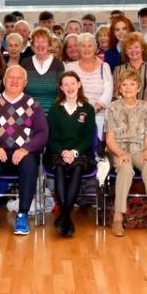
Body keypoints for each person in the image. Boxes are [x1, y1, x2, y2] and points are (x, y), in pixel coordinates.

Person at [0, 65, 48, 236]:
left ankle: (22, 214)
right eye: (11, 77)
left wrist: (26, 148)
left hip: (23, 153)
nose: (14, 81)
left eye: (19, 78)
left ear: (25, 82)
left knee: (30, 165)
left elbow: (43, 132)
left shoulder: (33, 104)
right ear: (4, 80)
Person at [104, 70, 147, 237]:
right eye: (124, 84)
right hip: (118, 149)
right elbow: (109, 140)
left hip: (140, 149)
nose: (128, 87)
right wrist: (121, 154)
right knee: (125, 167)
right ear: (119, 89)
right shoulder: (112, 108)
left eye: (132, 84)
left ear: (138, 87)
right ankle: (118, 218)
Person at [46, 71, 97, 238]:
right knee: (59, 168)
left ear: (79, 84)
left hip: (81, 153)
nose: (69, 87)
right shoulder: (55, 109)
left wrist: (74, 153)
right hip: (57, 151)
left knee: (77, 168)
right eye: (65, 84)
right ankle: (66, 216)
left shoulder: (88, 109)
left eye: (72, 83)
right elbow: (51, 137)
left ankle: (64, 216)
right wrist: (63, 152)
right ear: (61, 87)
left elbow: (88, 137)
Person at [64, 33, 113, 132]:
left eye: (90, 46)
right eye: (83, 46)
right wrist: (79, 113)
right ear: (78, 48)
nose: (86, 49)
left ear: (95, 48)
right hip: (74, 117)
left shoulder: (105, 67)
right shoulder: (70, 67)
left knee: (97, 146)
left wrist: (92, 111)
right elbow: (67, 90)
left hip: (100, 118)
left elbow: (108, 92)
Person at [113, 32, 147, 110]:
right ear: (125, 51)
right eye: (129, 48)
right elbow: (115, 93)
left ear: (142, 48)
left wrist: (144, 107)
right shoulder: (118, 70)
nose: (133, 51)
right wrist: (128, 106)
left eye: (136, 47)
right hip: (124, 113)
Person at [25, 27, 65, 114]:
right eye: (37, 42)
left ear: (49, 44)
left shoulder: (58, 64)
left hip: (53, 114)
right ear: (32, 45)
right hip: (29, 114)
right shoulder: (25, 63)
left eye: (43, 42)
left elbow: (62, 92)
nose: (40, 45)